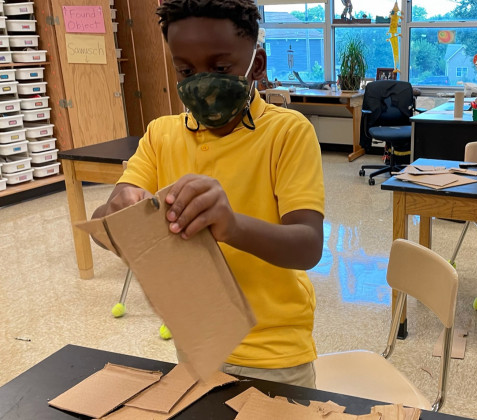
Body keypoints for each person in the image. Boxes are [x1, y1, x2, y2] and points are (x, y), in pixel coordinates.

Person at [92, 0, 325, 388]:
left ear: (258, 65)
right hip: (197, 346)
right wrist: (119, 211)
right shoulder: (160, 136)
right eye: (186, 69)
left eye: (220, 68)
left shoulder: (288, 133)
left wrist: (232, 225)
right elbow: (110, 218)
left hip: (274, 354)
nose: (201, 81)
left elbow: (308, 245)